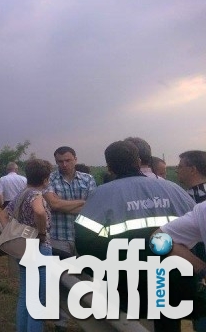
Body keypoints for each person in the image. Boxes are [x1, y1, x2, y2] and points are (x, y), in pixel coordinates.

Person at [75, 140, 195, 331]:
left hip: (124, 283)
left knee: (125, 325)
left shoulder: (101, 194)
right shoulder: (174, 190)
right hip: (169, 277)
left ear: (109, 166)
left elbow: (84, 241)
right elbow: (198, 233)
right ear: (139, 161)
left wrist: (104, 272)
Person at [0, 158, 53, 332]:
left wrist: (11, 231)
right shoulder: (36, 195)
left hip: (22, 248)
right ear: (45, 179)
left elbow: (2, 214)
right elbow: (39, 211)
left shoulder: (22, 194)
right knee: (38, 300)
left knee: (25, 296)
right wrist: (42, 232)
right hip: (38, 248)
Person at [43, 146, 95, 256]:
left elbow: (92, 208)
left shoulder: (88, 179)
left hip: (83, 236)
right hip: (58, 236)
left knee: (84, 271)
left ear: (75, 159)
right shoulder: (49, 180)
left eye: (68, 160)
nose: (64, 164)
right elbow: (54, 204)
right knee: (62, 272)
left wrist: (61, 205)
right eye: (60, 161)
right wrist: (83, 202)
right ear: (56, 162)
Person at [175, 150, 206, 331]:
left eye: (180, 167)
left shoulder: (185, 198)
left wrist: (199, 267)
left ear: (192, 169)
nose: (177, 170)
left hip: (196, 268)